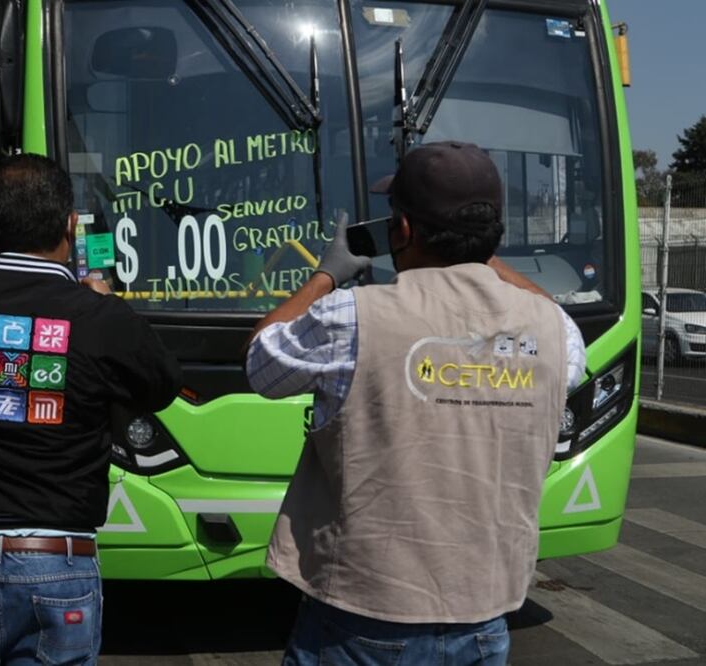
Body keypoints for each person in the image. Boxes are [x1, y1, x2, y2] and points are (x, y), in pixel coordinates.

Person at [245, 142, 586, 665]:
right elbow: (554, 326)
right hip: (486, 620)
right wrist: (481, 257)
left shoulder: (352, 316)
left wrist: (325, 274)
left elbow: (262, 364)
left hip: (362, 617)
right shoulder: (556, 332)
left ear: (400, 230)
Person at [0, 154, 181, 665]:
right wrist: (106, 299)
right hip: (59, 565)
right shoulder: (99, 316)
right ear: (69, 225)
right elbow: (161, 385)